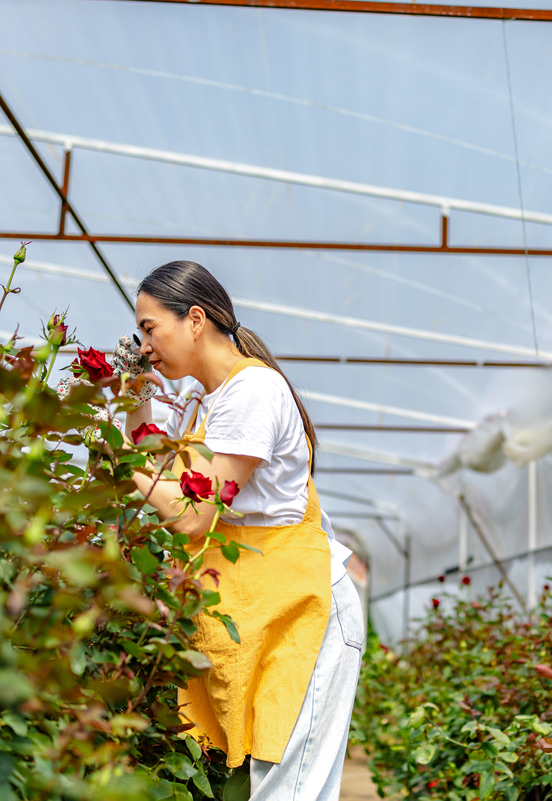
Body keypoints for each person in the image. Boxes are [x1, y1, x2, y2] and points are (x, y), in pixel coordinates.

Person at [123, 260, 363, 801]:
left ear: (195, 319)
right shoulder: (202, 402)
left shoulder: (252, 390)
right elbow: (158, 473)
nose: (144, 346)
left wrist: (117, 465)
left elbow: (193, 514)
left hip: (303, 613)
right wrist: (135, 400)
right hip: (262, 610)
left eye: (149, 328)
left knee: (287, 791)